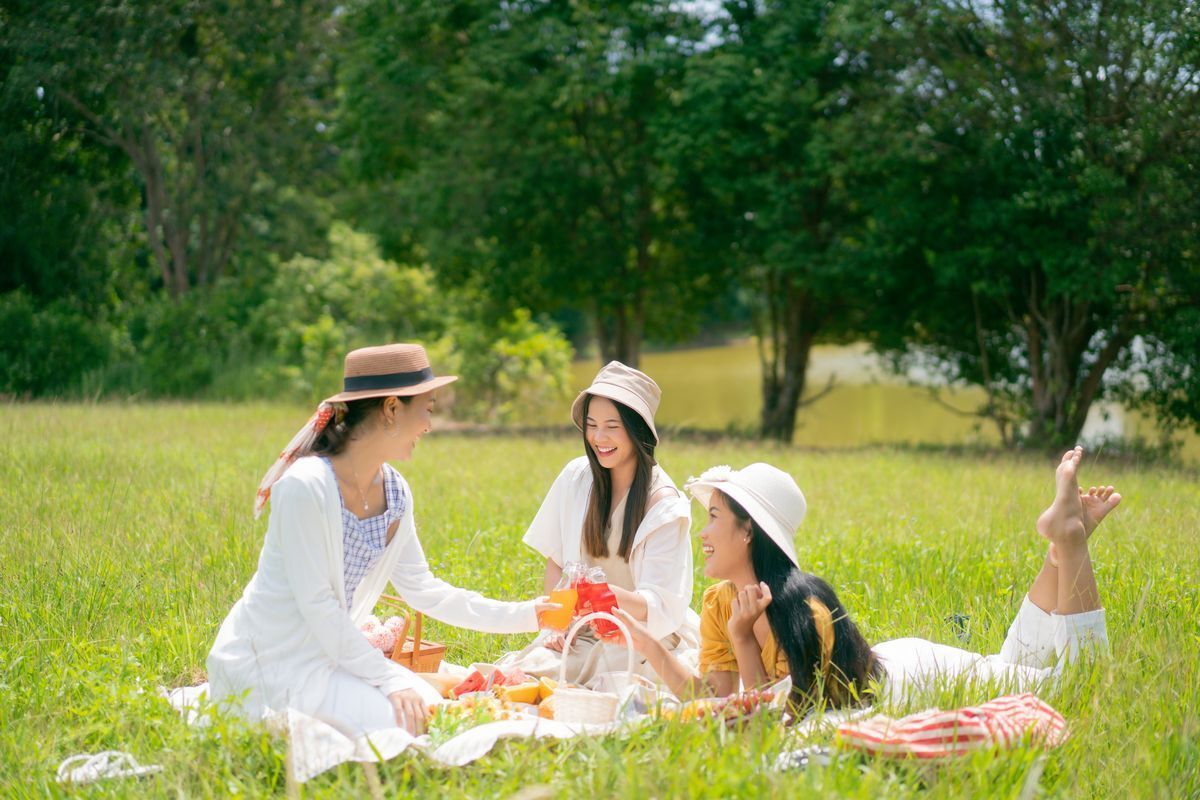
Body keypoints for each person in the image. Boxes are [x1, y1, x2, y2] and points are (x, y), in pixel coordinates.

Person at [206, 343, 556, 737]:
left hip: (330, 659)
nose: (429, 424)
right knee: (405, 723)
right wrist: (390, 679)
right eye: (427, 408)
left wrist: (530, 614)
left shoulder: (395, 493)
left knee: (433, 713)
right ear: (392, 409)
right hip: (268, 662)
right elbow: (317, 604)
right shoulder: (305, 487)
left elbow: (426, 591)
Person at [614, 447, 1118, 712]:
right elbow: (721, 702)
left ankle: (1069, 540)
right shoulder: (721, 602)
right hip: (895, 661)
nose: (702, 533)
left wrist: (746, 638)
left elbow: (771, 718)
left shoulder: (804, 609)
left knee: (1074, 687)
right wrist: (649, 644)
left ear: (749, 532)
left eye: (714, 518)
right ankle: (1061, 550)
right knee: (1018, 664)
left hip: (911, 678)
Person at [506, 361, 700, 687]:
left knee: (614, 680)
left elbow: (660, 606)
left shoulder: (664, 505)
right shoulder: (576, 478)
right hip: (582, 629)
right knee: (535, 668)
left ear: (638, 430)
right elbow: (555, 560)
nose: (598, 437)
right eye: (592, 425)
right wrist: (558, 622)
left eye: (612, 426)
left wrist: (603, 595)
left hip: (643, 637)